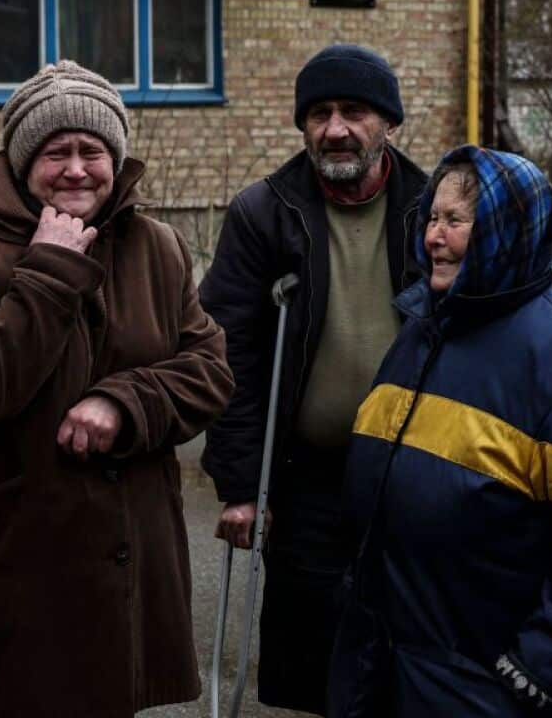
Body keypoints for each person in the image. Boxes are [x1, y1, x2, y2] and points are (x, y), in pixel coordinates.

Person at [0, 60, 234, 717]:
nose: (77, 170)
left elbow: (208, 368)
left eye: (93, 151)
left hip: (123, 562)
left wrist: (125, 401)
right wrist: (51, 268)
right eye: (57, 152)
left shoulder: (158, 247)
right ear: (24, 161)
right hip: (12, 564)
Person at [331, 146, 552, 716]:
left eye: (456, 221)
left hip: (484, 686)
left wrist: (539, 673)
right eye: (432, 217)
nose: (434, 236)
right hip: (387, 666)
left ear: (509, 231)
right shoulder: (424, 328)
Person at [198, 43, 428, 715]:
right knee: (318, 656)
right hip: (307, 479)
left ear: (388, 122)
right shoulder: (264, 212)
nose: (335, 129)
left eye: (354, 112)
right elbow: (229, 353)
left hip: (415, 469)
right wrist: (242, 486)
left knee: (412, 646)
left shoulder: (430, 208)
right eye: (319, 113)